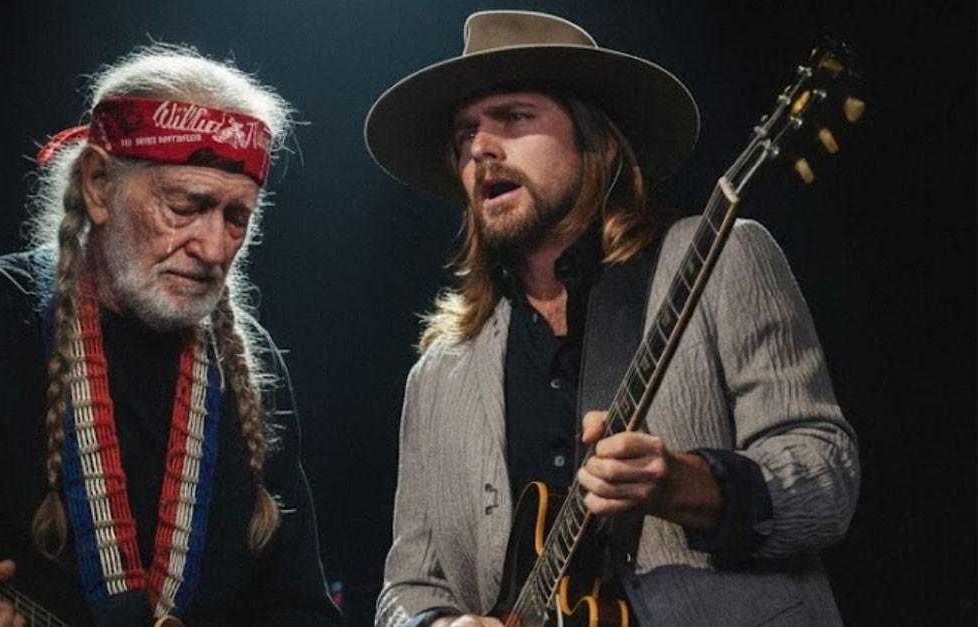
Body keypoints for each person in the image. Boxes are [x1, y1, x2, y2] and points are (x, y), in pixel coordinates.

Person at [0, 42, 344, 627]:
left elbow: (301, 607)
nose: (214, 247)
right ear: (98, 185)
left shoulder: (250, 369)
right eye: (185, 206)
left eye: (236, 216)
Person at [364, 10, 860, 627]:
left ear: (594, 137)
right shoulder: (438, 375)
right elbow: (406, 586)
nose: (480, 148)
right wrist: (436, 624)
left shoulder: (721, 260)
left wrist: (689, 484)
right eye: (465, 134)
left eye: (514, 117)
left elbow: (827, 479)